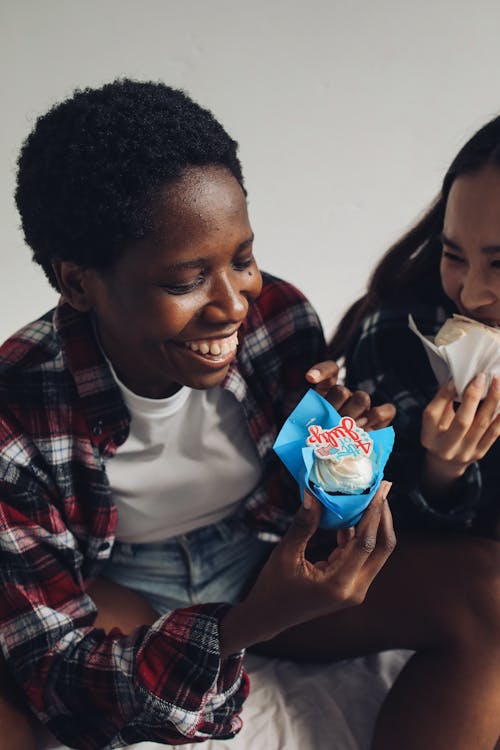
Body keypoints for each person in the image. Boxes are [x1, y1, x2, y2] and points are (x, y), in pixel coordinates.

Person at [0, 79, 395, 750]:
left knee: (482, 591)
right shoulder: (16, 412)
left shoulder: (278, 317)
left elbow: (324, 504)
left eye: (242, 259)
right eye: (185, 281)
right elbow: (57, 674)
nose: (234, 304)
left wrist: (349, 465)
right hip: (126, 585)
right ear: (77, 283)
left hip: (260, 551)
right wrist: (242, 627)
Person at [321, 114, 500, 749]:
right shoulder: (400, 334)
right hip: (372, 564)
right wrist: (443, 471)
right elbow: (357, 519)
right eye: (455, 254)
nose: (473, 292)